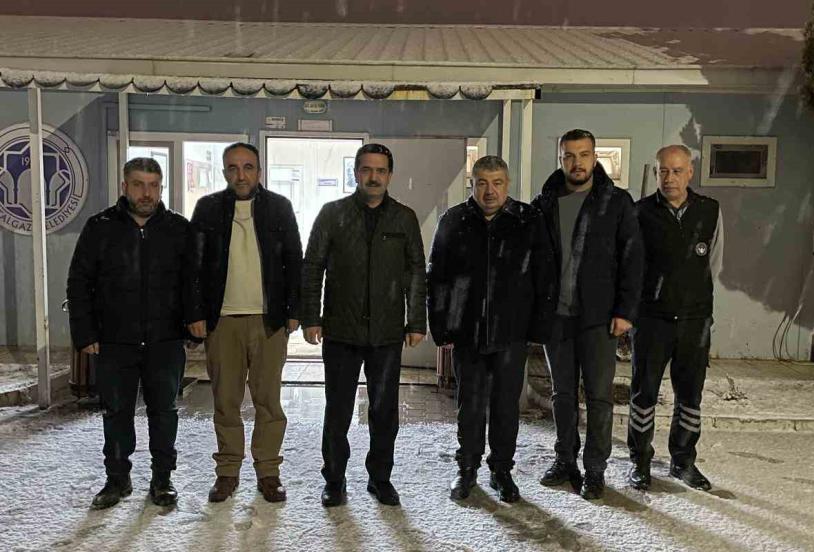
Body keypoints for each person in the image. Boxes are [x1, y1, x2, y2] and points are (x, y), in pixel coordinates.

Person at [67, 157, 200, 509]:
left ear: (161, 188)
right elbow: (79, 282)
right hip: (115, 339)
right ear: (125, 186)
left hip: (165, 339)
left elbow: (192, 281)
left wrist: (194, 323)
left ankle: (162, 479)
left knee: (164, 412)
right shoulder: (100, 227)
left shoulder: (178, 229)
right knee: (116, 412)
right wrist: (84, 333)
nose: (147, 193)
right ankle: (117, 479)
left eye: (154, 185)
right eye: (139, 184)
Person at [301, 143, 427, 507]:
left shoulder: (404, 218)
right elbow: (312, 266)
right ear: (356, 173)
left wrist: (416, 321)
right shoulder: (333, 214)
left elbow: (415, 271)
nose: (374, 177)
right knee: (337, 410)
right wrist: (311, 318)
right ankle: (334, 480)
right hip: (341, 330)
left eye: (381, 170)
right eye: (367, 169)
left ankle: (380, 478)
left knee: (384, 411)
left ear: (390, 175)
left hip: (386, 333)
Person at [427, 155, 556, 503]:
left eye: (497, 183)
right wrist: (441, 328)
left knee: (505, 406)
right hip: (467, 331)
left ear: (507, 184)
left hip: (511, 332)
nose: (490, 191)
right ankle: (466, 468)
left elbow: (544, 276)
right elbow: (437, 278)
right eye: (482, 183)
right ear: (472, 184)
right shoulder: (454, 220)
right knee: (469, 405)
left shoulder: (528, 220)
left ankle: (501, 471)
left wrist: (538, 328)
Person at [532, 128, 643, 500]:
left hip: (599, 317)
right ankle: (565, 459)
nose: (576, 162)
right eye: (569, 155)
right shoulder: (544, 203)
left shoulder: (617, 202)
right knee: (562, 395)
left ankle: (595, 469)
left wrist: (625, 310)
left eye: (583, 155)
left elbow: (633, 259)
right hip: (557, 318)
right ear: (560, 159)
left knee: (598, 396)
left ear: (595, 158)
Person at [189, 142, 302, 503]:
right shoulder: (207, 209)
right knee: (226, 400)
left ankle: (268, 472)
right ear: (225, 172)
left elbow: (294, 261)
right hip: (222, 321)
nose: (241, 175)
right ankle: (227, 471)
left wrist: (295, 310)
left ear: (259, 171)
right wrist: (195, 313)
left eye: (248, 167)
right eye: (233, 168)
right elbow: (193, 266)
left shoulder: (279, 208)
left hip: (268, 321)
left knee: (268, 401)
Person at [626, 144, 723, 492]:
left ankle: (683, 462)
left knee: (690, 395)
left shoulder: (709, 211)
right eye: (663, 171)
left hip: (695, 320)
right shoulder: (639, 213)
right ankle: (640, 461)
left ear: (690, 172)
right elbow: (631, 266)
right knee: (644, 394)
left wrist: (698, 303)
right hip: (651, 320)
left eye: (677, 171)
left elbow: (714, 263)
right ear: (656, 173)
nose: (670, 178)